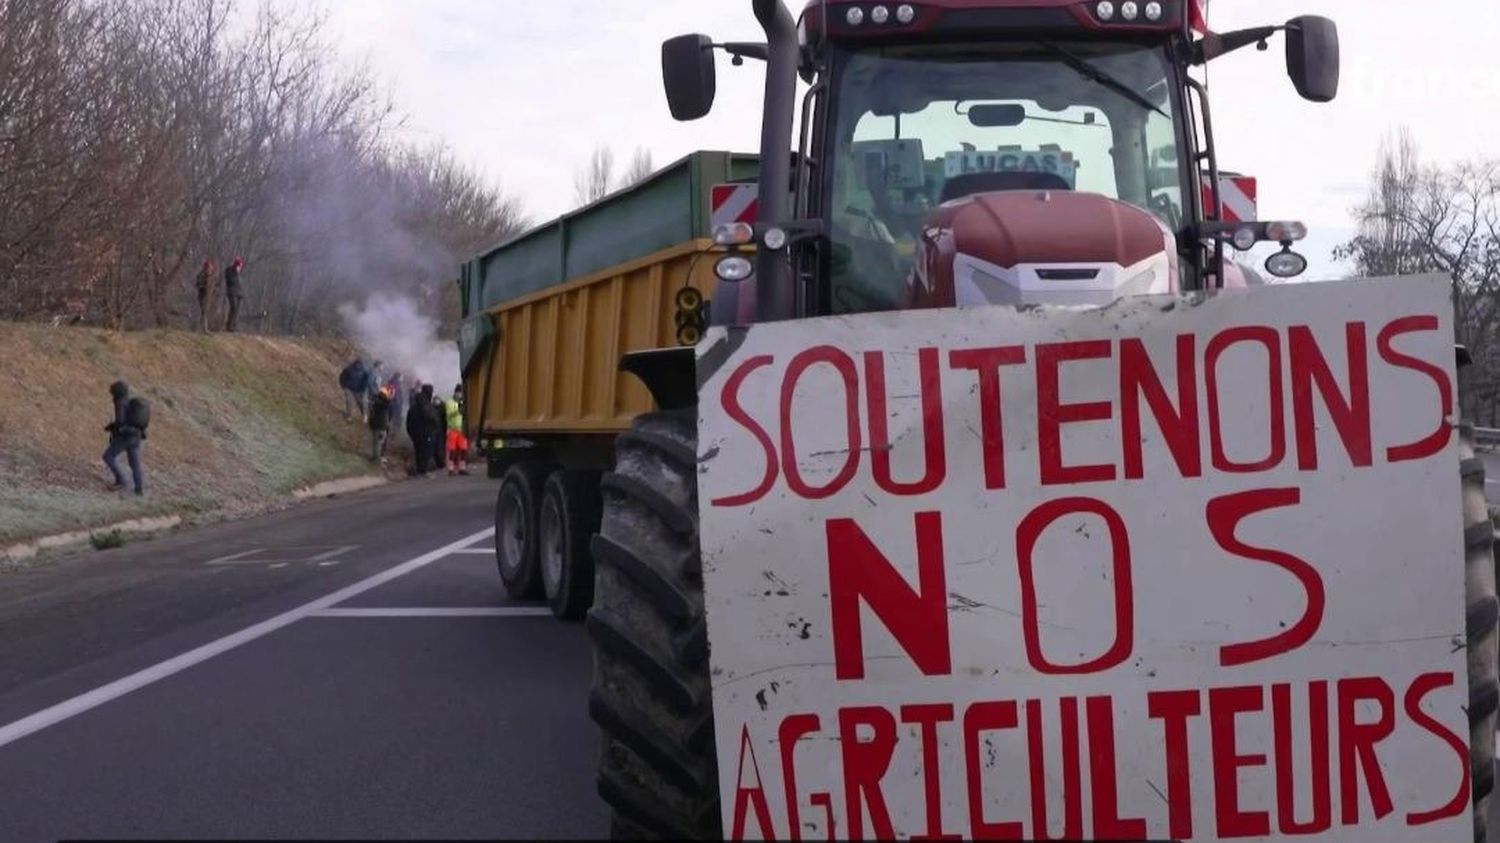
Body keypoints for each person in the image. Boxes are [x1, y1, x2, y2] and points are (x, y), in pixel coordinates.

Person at [102, 380, 146, 496]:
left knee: (108, 456)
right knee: (135, 464)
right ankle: (139, 490)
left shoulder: (120, 402)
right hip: (136, 436)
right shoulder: (129, 401)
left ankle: (121, 480)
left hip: (126, 437)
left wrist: (112, 428)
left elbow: (120, 422)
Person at [406, 383, 436, 475]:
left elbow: (408, 421)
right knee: (425, 452)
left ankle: (420, 470)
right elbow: (431, 418)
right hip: (426, 433)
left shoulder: (414, 406)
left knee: (419, 451)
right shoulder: (426, 405)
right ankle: (423, 470)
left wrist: (411, 434)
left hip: (416, 434)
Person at [444, 385, 470, 476]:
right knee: (452, 450)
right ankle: (451, 468)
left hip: (462, 429)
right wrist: (458, 411)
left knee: (463, 449)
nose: (460, 395)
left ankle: (462, 468)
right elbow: (449, 414)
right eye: (458, 392)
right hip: (452, 429)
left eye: (461, 393)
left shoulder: (464, 401)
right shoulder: (449, 402)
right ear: (455, 392)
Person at [368, 384, 394, 463]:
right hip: (380, 424)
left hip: (374, 423)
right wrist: (390, 396)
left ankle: (375, 457)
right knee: (379, 442)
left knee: (376, 441)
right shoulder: (383, 402)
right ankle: (376, 459)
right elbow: (388, 404)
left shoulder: (375, 399)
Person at [430, 386, 449, 475]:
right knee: (438, 447)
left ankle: (441, 463)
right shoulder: (432, 408)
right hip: (437, 430)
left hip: (441, 430)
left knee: (440, 447)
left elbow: (445, 419)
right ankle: (440, 463)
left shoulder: (441, 408)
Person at [223, 255, 244, 332]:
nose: (240, 268)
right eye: (240, 266)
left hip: (238, 294)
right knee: (233, 308)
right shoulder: (229, 270)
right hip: (232, 292)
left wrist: (241, 294)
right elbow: (230, 281)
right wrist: (236, 273)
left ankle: (233, 326)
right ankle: (229, 326)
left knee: (236, 311)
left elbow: (239, 284)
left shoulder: (238, 274)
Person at [194, 259, 214, 332]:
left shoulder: (209, 276)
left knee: (205, 312)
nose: (211, 269)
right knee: (203, 312)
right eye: (210, 268)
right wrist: (204, 286)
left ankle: (203, 328)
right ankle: (203, 329)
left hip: (207, 296)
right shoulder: (201, 275)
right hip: (202, 296)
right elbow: (198, 285)